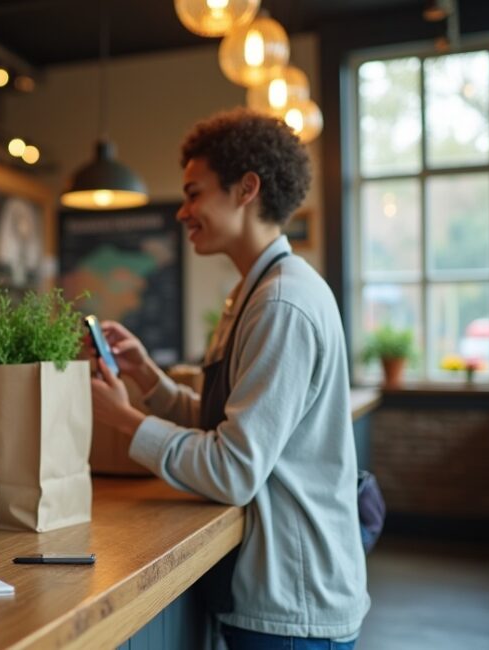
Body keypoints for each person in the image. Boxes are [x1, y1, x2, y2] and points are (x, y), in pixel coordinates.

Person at [88, 109, 369, 648]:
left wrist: (125, 420)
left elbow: (234, 468)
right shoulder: (254, 292)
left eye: (194, 194)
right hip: (276, 593)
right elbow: (228, 426)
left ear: (246, 189)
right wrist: (148, 378)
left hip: (294, 604)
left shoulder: (281, 303)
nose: (183, 212)